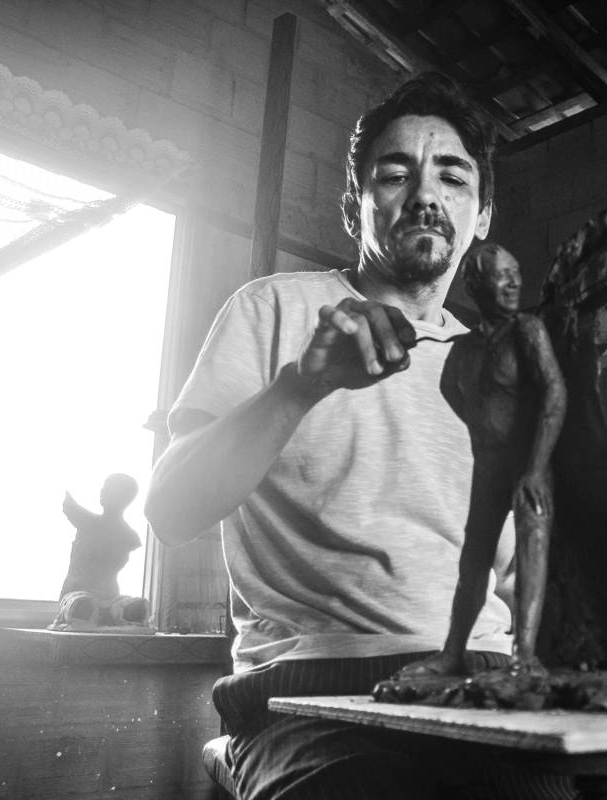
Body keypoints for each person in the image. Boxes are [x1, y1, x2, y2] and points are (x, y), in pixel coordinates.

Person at [145, 73, 574, 800]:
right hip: (310, 686)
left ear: (481, 215)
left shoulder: (502, 367)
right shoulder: (274, 308)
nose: (426, 195)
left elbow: (516, 572)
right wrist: (300, 386)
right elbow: (171, 509)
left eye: (452, 177)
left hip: (483, 684)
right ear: (355, 206)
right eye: (395, 174)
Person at [396, 243, 565, 685]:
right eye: (501, 275)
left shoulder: (527, 330)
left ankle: (525, 657)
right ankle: (453, 654)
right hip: (488, 470)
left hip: (529, 466)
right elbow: (452, 390)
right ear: (475, 286)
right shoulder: (464, 348)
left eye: (515, 273)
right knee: (473, 561)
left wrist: (534, 465)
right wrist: (484, 431)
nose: (513, 283)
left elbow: (553, 393)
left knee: (530, 554)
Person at [52, 473, 148, 629]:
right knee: (81, 607)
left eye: (109, 489)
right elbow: (67, 502)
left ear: (124, 498)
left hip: (109, 596)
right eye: (104, 488)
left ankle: (114, 614)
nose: (102, 492)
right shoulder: (87, 521)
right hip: (76, 593)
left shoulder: (128, 536)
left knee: (131, 608)